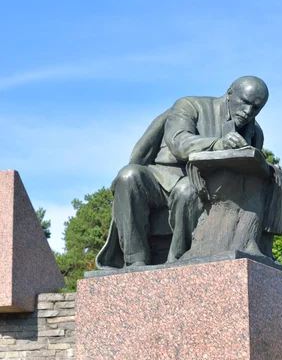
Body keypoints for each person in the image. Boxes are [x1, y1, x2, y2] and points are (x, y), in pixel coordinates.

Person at [96, 76, 269, 268]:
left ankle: (177, 260)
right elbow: (178, 140)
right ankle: (135, 260)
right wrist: (218, 145)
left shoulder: (254, 133)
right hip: (160, 176)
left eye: (256, 108)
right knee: (128, 176)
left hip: (204, 186)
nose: (248, 111)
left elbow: (252, 173)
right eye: (244, 102)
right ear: (229, 92)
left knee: (188, 189)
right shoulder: (190, 106)